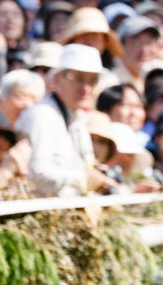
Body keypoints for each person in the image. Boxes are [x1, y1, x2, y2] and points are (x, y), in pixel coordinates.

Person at [19, 44, 104, 197]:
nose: (86, 88)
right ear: (58, 78)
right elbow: (37, 173)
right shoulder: (42, 115)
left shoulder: (77, 119)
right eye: (78, 78)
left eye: (92, 81)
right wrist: (85, 178)